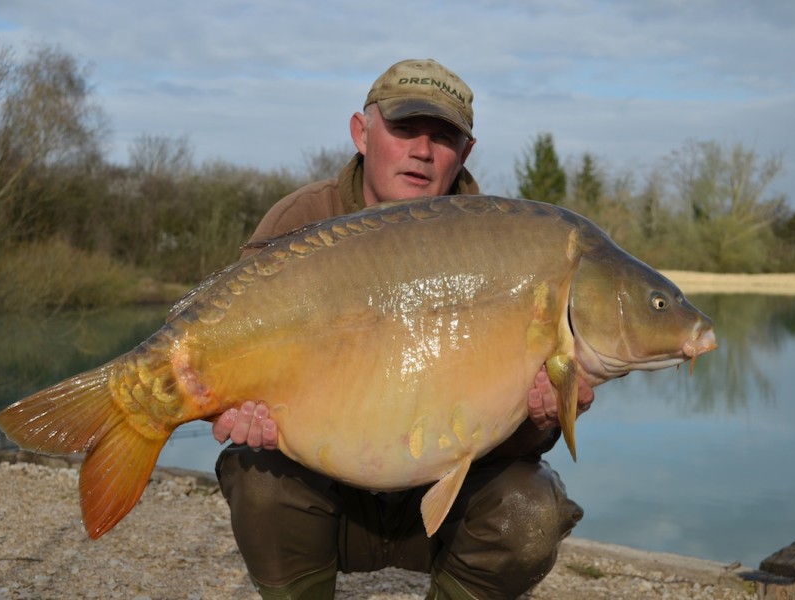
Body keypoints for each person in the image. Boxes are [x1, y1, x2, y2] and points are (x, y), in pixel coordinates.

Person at [213, 59, 594, 600]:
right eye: (405, 129)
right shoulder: (299, 223)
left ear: (464, 153)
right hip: (331, 500)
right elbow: (236, 354)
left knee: (529, 508)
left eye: (442, 137)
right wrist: (240, 406)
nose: (422, 150)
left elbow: (519, 444)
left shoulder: (509, 245)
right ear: (360, 133)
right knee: (257, 475)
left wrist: (540, 417)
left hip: (446, 507)